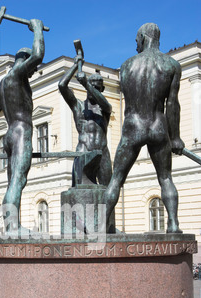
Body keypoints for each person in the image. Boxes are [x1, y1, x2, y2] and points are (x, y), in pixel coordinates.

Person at [103, 23, 184, 234]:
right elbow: (172, 105)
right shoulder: (172, 65)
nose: (135, 44)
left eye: (136, 40)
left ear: (143, 37)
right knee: (166, 178)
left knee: (116, 179)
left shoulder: (126, 65)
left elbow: (130, 98)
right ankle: (173, 224)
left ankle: (100, 225)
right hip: (158, 125)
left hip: (133, 125)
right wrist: (175, 138)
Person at [0, 19, 45, 233]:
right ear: (24, 61)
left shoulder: (2, 85)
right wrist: (37, 29)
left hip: (9, 134)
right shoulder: (18, 75)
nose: (33, 72)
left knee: (12, 183)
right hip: (21, 131)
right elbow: (38, 55)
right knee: (19, 178)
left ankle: (10, 227)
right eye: (32, 69)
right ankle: (13, 228)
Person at [58, 56, 112, 187]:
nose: (92, 91)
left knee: (109, 193)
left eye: (96, 88)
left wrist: (86, 83)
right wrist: (75, 65)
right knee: (78, 192)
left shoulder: (104, 108)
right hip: (84, 150)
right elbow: (62, 85)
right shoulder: (78, 106)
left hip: (102, 153)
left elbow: (107, 105)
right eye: (91, 87)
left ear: (101, 90)